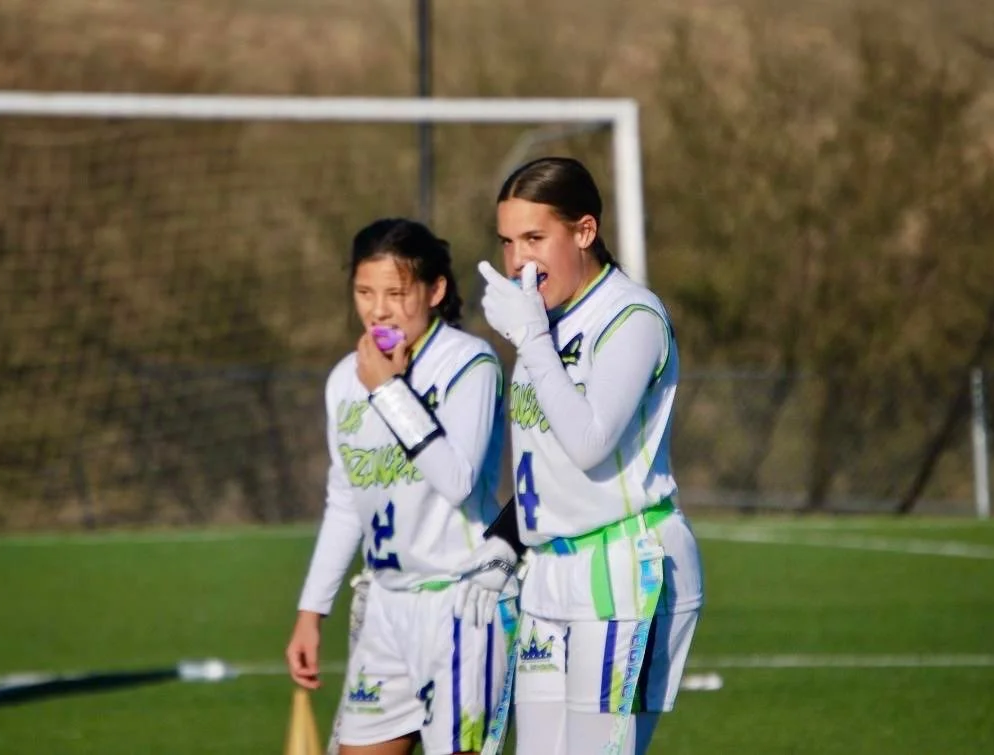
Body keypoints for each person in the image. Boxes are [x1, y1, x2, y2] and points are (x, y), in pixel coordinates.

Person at [452, 157, 704, 755]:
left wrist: (532, 340)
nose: (518, 261)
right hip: (549, 575)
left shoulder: (631, 317)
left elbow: (590, 445)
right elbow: (545, 466)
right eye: (508, 242)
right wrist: (502, 542)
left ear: (584, 232)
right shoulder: (546, 323)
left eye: (535, 239)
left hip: (626, 569)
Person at [286, 218, 510, 755]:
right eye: (365, 292)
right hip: (385, 609)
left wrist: (389, 391)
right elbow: (345, 500)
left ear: (435, 291)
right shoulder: (347, 378)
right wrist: (311, 612)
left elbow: (457, 480)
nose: (378, 309)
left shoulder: (468, 363)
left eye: (395, 292)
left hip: (463, 608)